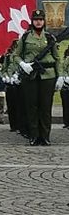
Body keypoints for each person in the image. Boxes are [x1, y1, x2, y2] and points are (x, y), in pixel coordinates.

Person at [16, 9, 62, 146]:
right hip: (30, 75)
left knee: (45, 107)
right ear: (32, 21)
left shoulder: (49, 38)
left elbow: (57, 58)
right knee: (32, 106)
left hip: (48, 75)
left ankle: (45, 136)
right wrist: (22, 64)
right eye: (36, 19)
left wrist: (60, 76)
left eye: (41, 19)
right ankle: (34, 136)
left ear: (44, 21)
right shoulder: (25, 38)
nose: (38, 22)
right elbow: (16, 55)